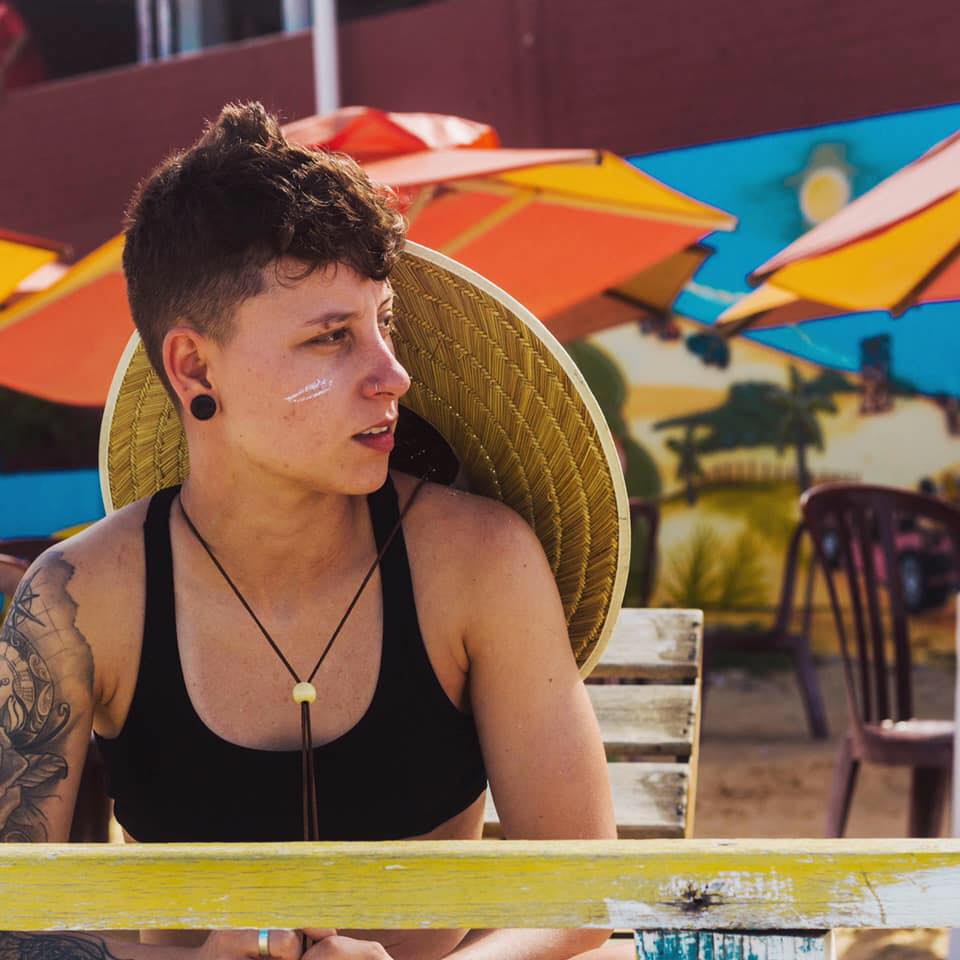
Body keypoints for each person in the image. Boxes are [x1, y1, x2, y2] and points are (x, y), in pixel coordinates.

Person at [0, 102, 629, 960]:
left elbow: (583, 897)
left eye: (383, 323)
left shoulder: (479, 563)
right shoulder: (79, 603)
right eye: (332, 337)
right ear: (194, 367)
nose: (393, 375)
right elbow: (11, 920)